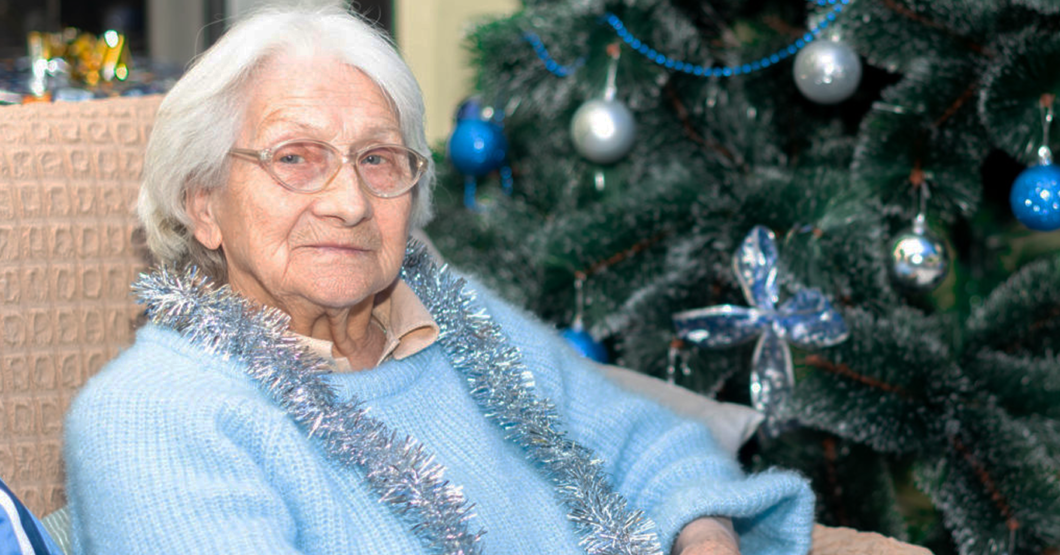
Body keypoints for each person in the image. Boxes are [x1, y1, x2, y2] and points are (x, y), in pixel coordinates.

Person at [63, 6, 815, 554]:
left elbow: (647, 444)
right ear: (203, 205)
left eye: (379, 159)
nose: (350, 202)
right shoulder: (151, 419)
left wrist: (706, 531)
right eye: (295, 156)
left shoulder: (458, 323)